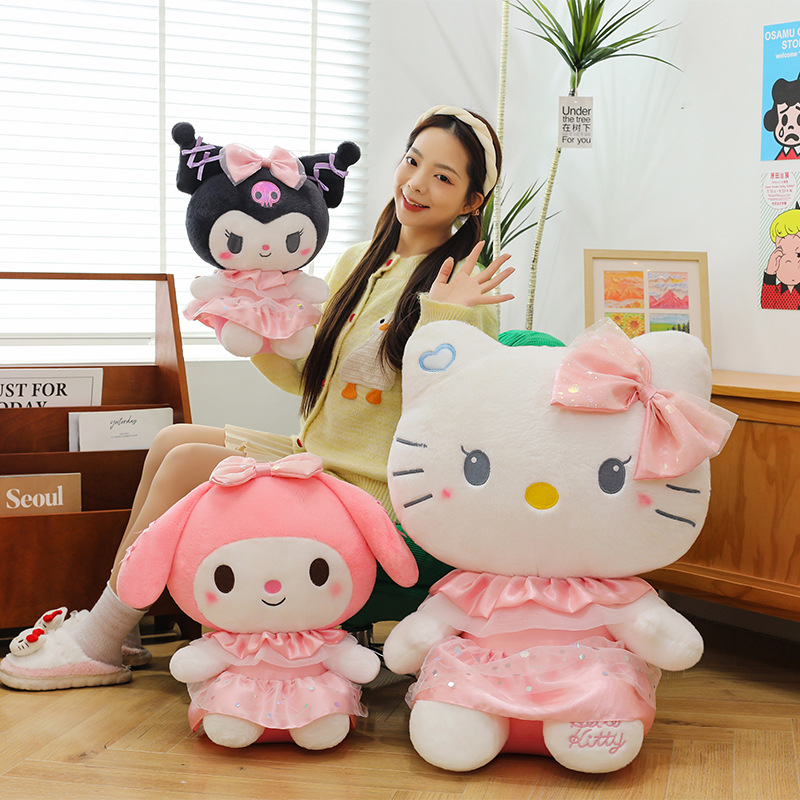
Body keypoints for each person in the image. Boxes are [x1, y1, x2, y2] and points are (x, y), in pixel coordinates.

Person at [0, 105, 515, 691]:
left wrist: (447, 316)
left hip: (372, 484)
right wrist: (249, 324)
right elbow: (305, 377)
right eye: (412, 161)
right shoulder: (361, 260)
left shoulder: (464, 288)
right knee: (171, 440)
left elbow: (449, 410)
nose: (417, 184)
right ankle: (121, 629)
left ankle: (97, 640)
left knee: (188, 462)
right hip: (315, 454)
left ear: (472, 201)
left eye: (443, 177)